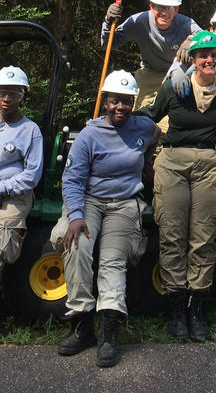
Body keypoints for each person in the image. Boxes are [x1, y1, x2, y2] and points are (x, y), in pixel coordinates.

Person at [52, 70, 159, 367]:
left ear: (133, 102)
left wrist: (148, 159)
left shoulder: (144, 127)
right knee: (77, 247)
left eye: (126, 101)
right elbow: (73, 179)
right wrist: (74, 217)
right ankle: (81, 324)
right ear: (105, 102)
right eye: (114, 101)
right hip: (89, 201)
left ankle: (109, 332)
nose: (120, 107)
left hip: (124, 203)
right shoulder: (89, 134)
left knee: (113, 258)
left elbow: (154, 137)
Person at [136, 31, 216, 342]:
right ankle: (176, 308)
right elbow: (147, 117)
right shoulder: (175, 87)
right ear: (192, 59)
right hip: (173, 161)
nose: (208, 59)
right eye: (202, 55)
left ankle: (197, 307)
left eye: (214, 54)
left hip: (210, 163)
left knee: (203, 237)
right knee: (173, 234)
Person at [0, 66, 43, 341]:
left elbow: (31, 175)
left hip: (9, 197)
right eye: (1, 92)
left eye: (13, 93)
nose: (6, 98)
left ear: (23, 96)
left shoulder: (30, 130)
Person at [102, 0, 202, 117]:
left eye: (170, 7)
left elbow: (207, 40)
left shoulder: (186, 24)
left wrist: (192, 40)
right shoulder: (139, 21)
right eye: (159, 7)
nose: (164, 13)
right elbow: (109, 43)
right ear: (151, 7)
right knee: (137, 118)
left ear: (177, 9)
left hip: (177, 75)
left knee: (175, 119)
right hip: (149, 74)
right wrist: (108, 21)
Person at [168, 5, 216, 97]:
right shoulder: (196, 47)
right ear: (212, 30)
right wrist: (175, 72)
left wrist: (203, 66)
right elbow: (176, 67)